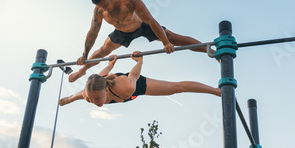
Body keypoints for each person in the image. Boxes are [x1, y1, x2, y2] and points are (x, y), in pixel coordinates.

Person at [68, 0, 212, 82]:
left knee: (176, 39)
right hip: (122, 31)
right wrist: (84, 54)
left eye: (105, 5)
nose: (104, 9)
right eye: (101, 7)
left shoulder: (129, 1)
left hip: (142, 26)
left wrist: (165, 42)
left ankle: (210, 51)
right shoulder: (99, 11)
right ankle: (82, 71)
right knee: (102, 51)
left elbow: (150, 20)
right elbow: (93, 33)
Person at [59, 52, 221, 107]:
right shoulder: (89, 95)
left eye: (97, 99)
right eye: (92, 99)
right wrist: (67, 99)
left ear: (106, 90)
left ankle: (216, 91)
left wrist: (139, 61)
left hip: (134, 85)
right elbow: (78, 94)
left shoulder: (126, 87)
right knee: (81, 93)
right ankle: (69, 99)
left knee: (177, 88)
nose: (95, 102)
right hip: (107, 79)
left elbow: (134, 75)